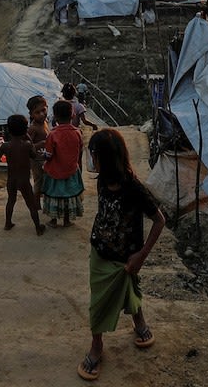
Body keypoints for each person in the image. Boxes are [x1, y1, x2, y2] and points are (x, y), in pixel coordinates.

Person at [78, 129, 166, 381]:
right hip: (100, 252)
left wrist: (141, 255)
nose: (90, 159)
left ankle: (138, 321)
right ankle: (98, 345)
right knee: (99, 302)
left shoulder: (133, 188)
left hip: (126, 257)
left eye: (93, 154)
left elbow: (159, 221)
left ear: (104, 156)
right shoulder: (102, 180)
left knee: (129, 288)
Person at [0, 115, 46, 236]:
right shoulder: (26, 145)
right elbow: (34, 155)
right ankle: (38, 227)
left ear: (9, 130)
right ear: (25, 130)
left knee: (11, 201)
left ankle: (7, 223)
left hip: (11, 180)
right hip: (24, 181)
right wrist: (30, 140)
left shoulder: (5, 146)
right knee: (31, 204)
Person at [43, 100, 84, 229]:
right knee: (68, 196)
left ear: (55, 116)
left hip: (55, 171)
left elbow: (49, 155)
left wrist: (42, 155)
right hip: (71, 170)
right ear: (72, 115)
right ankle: (67, 221)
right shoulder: (78, 132)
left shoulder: (52, 134)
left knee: (54, 195)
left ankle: (53, 221)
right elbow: (80, 150)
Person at [25, 95, 50, 204]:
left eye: (43, 110)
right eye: (37, 112)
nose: (41, 114)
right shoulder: (33, 128)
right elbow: (27, 146)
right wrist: (40, 144)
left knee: (47, 181)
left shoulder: (45, 122)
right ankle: (36, 204)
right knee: (38, 182)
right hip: (36, 160)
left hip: (45, 158)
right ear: (31, 114)